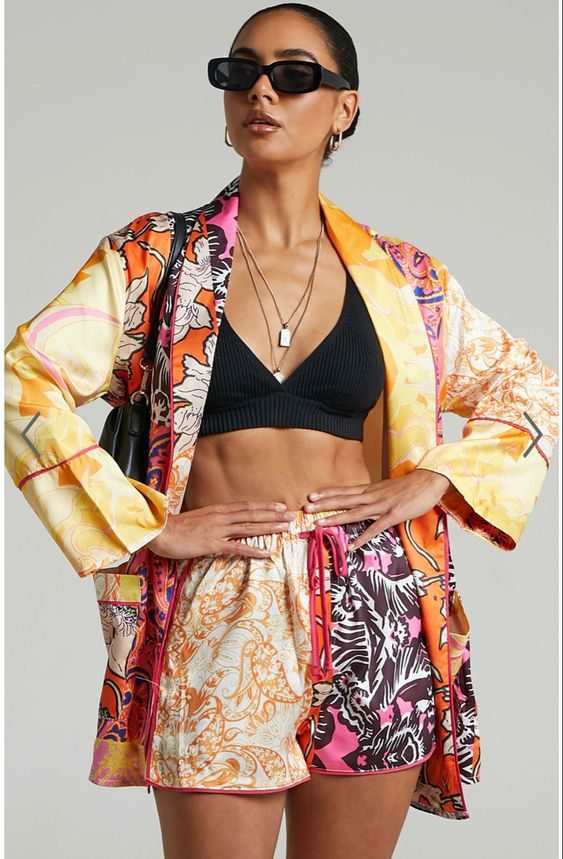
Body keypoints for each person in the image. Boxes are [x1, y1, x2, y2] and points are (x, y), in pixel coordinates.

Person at [4, 4, 559, 859]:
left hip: (375, 601)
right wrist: (143, 525)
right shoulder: (154, 260)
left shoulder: (402, 280)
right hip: (222, 601)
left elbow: (529, 387)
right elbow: (23, 380)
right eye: (241, 72)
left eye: (294, 75)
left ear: (344, 107)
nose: (261, 90)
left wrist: (440, 477)